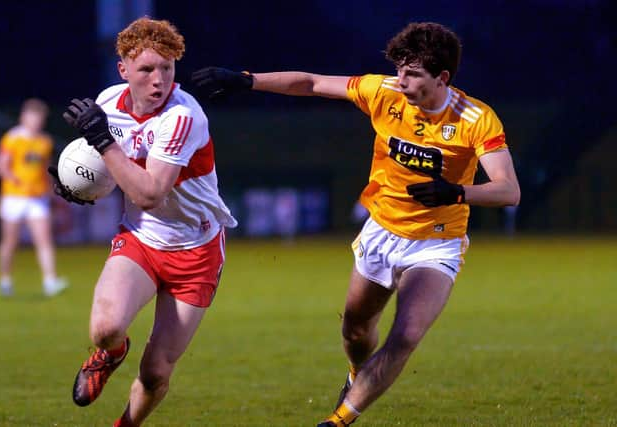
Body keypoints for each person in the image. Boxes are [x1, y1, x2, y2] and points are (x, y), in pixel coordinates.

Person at [190, 21, 521, 426]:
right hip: (382, 230)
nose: (400, 80)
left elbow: (508, 190)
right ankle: (355, 375)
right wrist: (246, 80)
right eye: (399, 68)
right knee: (355, 330)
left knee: (406, 335)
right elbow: (311, 83)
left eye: (412, 73)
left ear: (442, 77)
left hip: (436, 243)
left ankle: (339, 419)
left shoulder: (475, 118)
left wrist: (457, 192)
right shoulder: (383, 92)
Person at [50, 17, 237, 426]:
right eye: (147, 69)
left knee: (155, 372)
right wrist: (76, 184)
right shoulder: (108, 103)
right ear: (123, 71)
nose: (159, 80)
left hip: (196, 251)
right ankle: (112, 354)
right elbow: (106, 169)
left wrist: (102, 140)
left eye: (167, 68)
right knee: (105, 329)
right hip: (141, 241)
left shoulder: (183, 116)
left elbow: (150, 193)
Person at [0, 98, 68, 297]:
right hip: (13, 197)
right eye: (33, 117)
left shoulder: (44, 141)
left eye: (40, 118)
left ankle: (50, 280)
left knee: (44, 240)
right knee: (10, 241)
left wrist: (52, 192)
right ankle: (5, 280)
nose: (36, 121)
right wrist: (17, 180)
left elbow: (45, 170)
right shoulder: (12, 138)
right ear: (24, 117)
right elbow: (1, 166)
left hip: (37, 198)